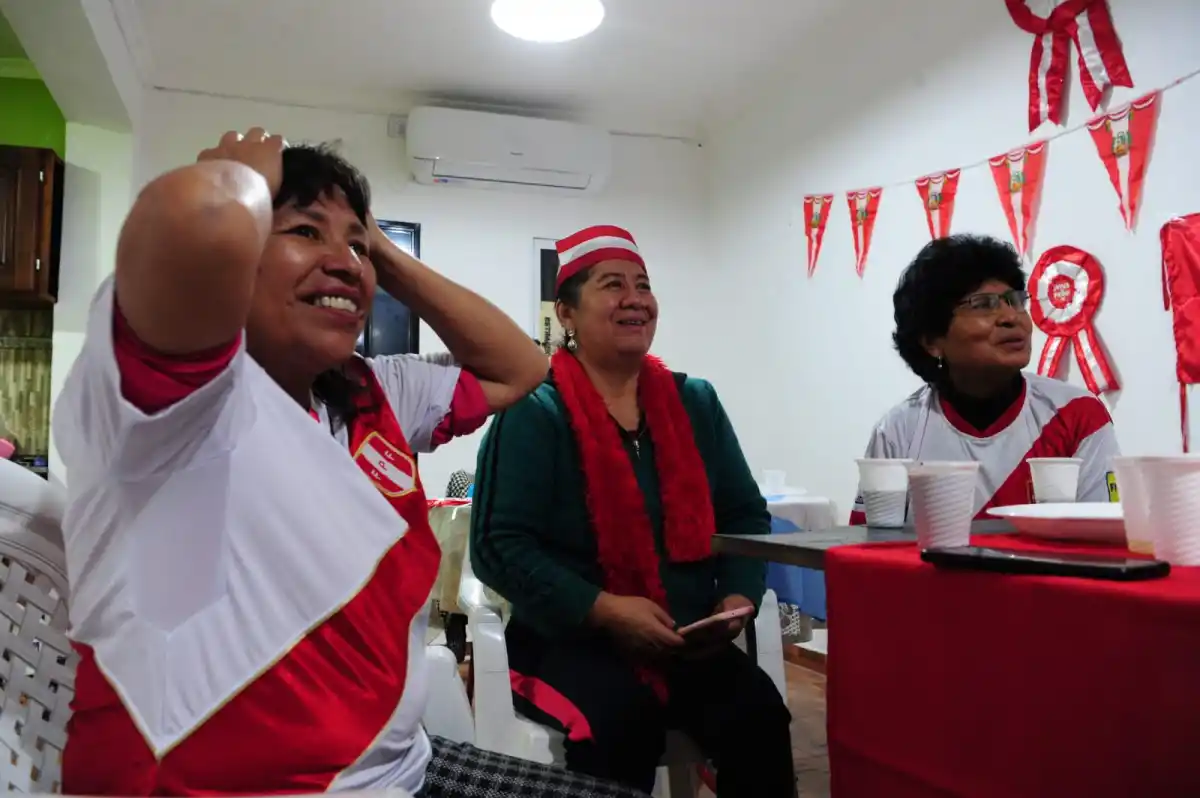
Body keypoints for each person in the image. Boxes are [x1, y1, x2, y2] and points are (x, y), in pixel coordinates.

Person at [53, 129, 649, 798]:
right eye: (304, 231)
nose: (345, 263)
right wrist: (233, 182)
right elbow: (180, 263)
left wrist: (381, 252)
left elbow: (520, 367)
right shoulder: (171, 406)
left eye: (357, 246)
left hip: (403, 768)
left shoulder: (373, 389)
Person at [470, 225, 795, 797]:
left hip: (688, 638)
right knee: (621, 723)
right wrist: (603, 609)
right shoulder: (534, 412)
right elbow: (499, 547)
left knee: (759, 716)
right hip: (570, 640)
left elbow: (744, 512)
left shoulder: (696, 402)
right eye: (612, 284)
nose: (635, 298)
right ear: (566, 313)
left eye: (643, 285)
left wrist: (740, 595)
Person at [849, 234, 1120, 524]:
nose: (1011, 317)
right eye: (982, 304)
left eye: (1015, 301)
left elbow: (1100, 547)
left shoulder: (1078, 417)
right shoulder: (897, 432)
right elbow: (869, 551)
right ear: (932, 341)